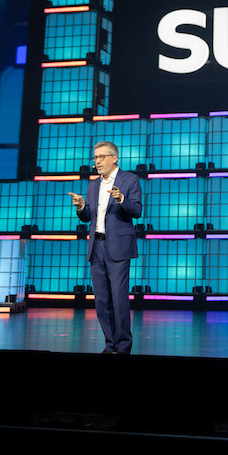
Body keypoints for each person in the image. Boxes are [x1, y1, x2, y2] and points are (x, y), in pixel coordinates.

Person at [72, 141, 142, 354]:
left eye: (102, 157)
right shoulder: (93, 185)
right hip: (97, 247)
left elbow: (137, 210)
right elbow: (88, 217)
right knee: (102, 300)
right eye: (95, 158)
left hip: (118, 247)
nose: (98, 161)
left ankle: (123, 346)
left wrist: (121, 199)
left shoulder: (130, 180)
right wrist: (82, 207)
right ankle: (110, 344)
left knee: (119, 299)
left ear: (114, 158)